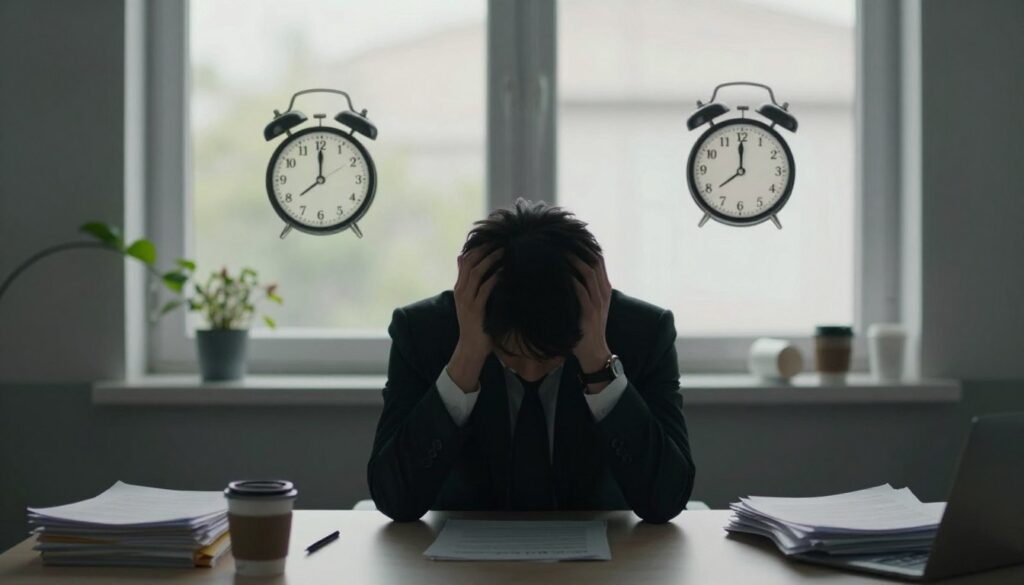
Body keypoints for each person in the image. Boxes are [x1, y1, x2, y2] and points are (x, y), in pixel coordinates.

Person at [367, 199, 695, 523]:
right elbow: (396, 500)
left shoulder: (644, 334)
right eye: (512, 354)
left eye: (550, 356)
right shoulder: (423, 333)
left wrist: (598, 361)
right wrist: (466, 358)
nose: (530, 371)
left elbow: (665, 501)